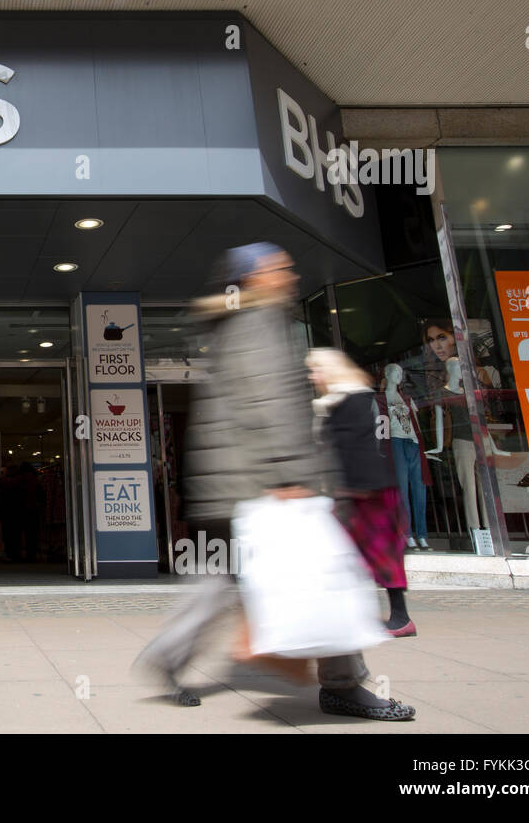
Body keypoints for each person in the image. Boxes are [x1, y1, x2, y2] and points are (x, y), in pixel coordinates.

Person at [132, 242, 415, 721]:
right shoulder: (257, 322)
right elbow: (267, 399)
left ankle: (170, 654)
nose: (291, 275)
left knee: (225, 581)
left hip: (240, 482)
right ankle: (344, 683)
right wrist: (289, 473)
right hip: (263, 482)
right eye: (280, 268)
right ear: (255, 277)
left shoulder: (240, 322)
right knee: (321, 574)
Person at [307, 348, 415, 638]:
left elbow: (351, 448)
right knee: (360, 555)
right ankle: (385, 616)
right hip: (359, 490)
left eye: (316, 369)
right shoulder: (337, 401)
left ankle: (399, 617)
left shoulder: (351, 399)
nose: (312, 375)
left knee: (377, 554)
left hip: (367, 492)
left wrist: (340, 491)